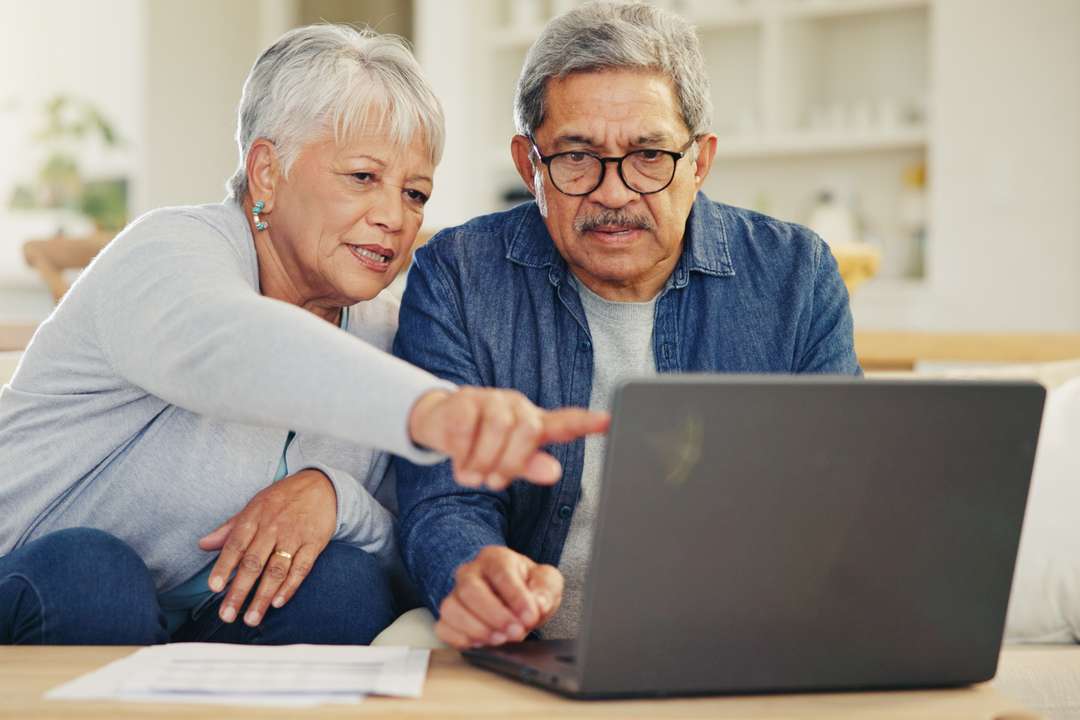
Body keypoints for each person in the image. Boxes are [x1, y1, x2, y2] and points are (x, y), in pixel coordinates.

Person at [0, 24, 607, 646]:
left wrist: (335, 498)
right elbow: (231, 348)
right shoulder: (166, 254)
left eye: (415, 192)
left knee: (345, 583)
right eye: (363, 177)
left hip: (204, 622)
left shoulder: (386, 331)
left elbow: (412, 539)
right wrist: (433, 410)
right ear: (266, 171)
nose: (394, 217)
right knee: (94, 575)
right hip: (35, 585)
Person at [394, 1, 861, 650]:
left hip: (741, 644)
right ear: (530, 166)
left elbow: (837, 494)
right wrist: (473, 570)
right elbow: (441, 499)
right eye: (577, 157)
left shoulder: (795, 275)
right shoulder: (458, 275)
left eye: (647, 155)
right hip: (530, 647)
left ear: (699, 162)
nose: (614, 193)